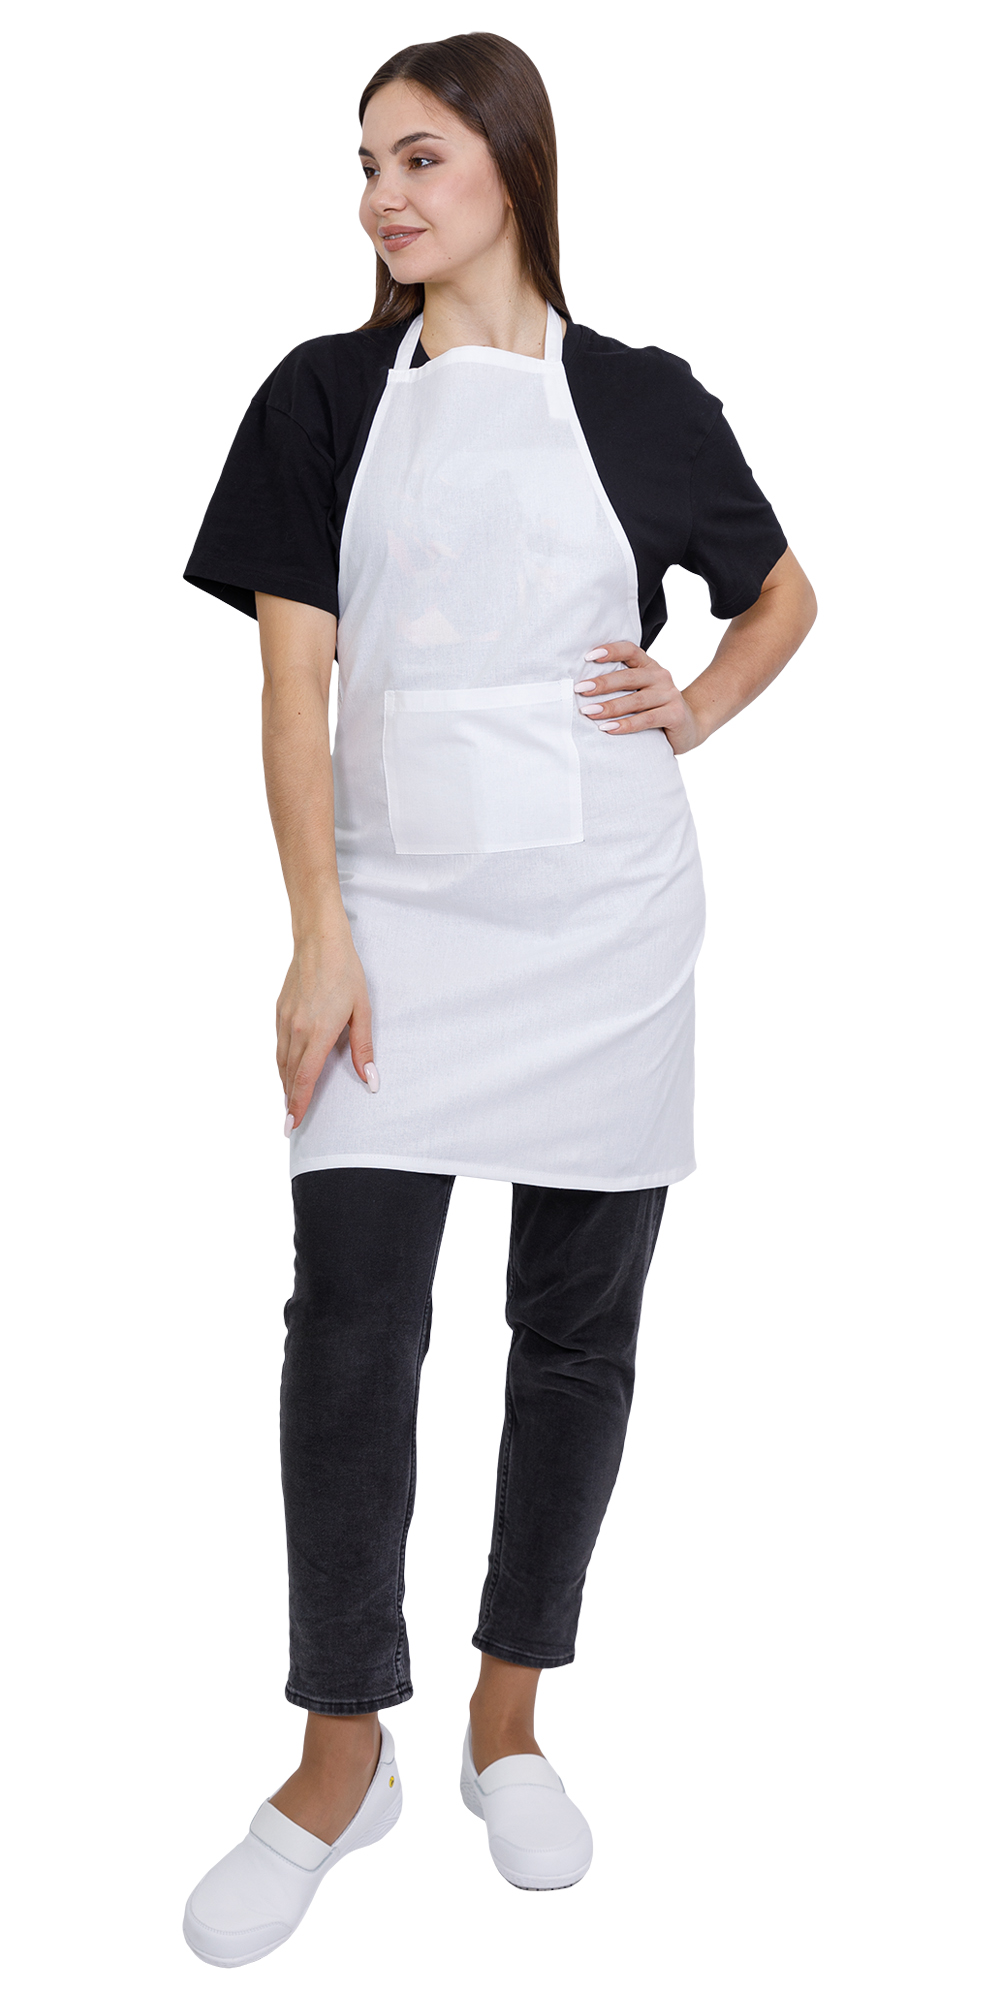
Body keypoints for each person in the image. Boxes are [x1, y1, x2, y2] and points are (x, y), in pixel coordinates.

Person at [180, 29, 816, 1965]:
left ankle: (507, 1718)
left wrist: (697, 705)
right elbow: (292, 688)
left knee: (574, 1336)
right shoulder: (319, 398)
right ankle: (339, 1751)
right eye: (366, 162)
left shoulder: (641, 397)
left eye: (420, 157)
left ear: (512, 168)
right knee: (349, 1333)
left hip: (605, 925)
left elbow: (782, 591)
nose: (381, 195)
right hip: (394, 918)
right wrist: (319, 932)